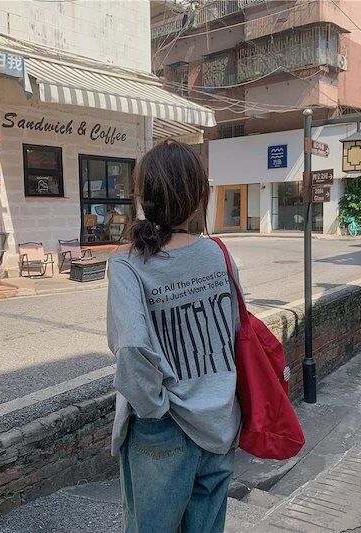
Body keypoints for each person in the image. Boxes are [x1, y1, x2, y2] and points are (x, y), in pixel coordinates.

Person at [107, 140, 242, 533]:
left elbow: (132, 350)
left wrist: (157, 412)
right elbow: (234, 334)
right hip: (219, 421)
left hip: (164, 428)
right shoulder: (218, 254)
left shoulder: (127, 264)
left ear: (144, 196)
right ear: (198, 196)